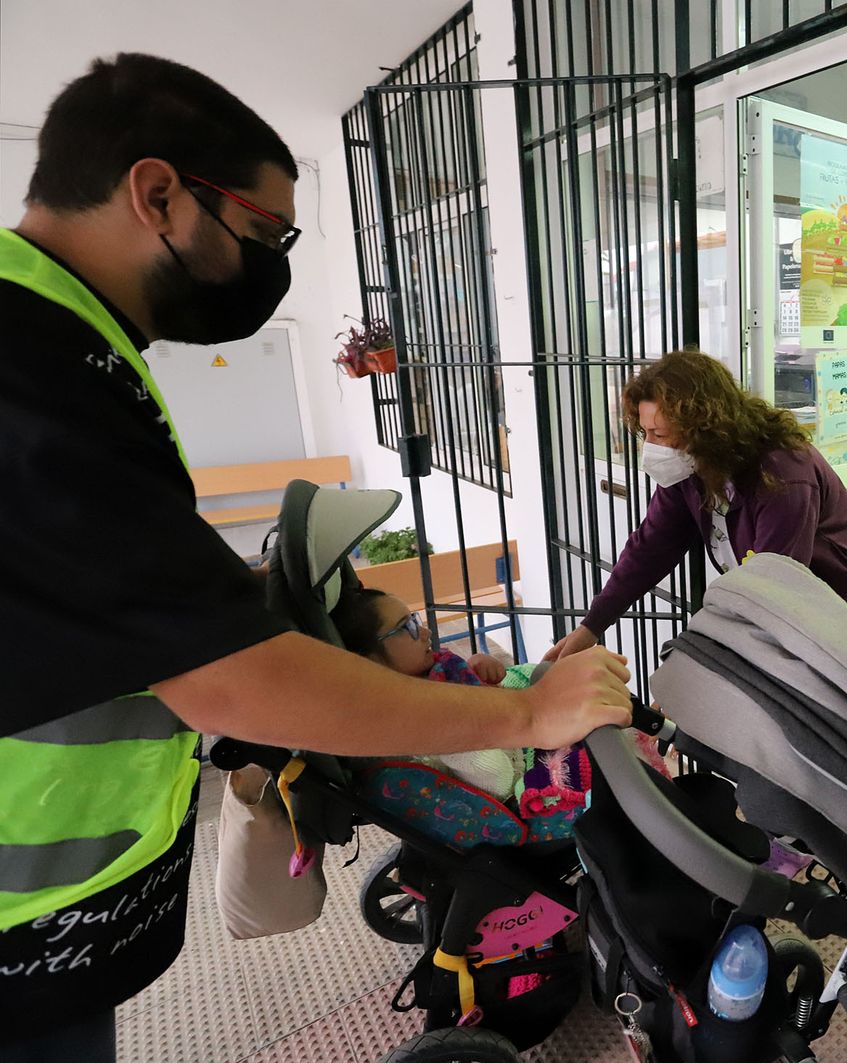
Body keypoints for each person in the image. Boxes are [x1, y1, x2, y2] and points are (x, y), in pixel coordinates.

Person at [0, 55, 631, 1061]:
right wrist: (525, 714)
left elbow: (82, 584)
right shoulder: (36, 368)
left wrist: (229, 597)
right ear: (158, 195)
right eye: (265, 233)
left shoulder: (71, 346)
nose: (272, 264)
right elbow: (227, 681)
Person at [545, 349, 847, 659]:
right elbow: (650, 548)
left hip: (844, 586)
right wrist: (592, 626)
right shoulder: (690, 465)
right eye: (645, 433)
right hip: (778, 592)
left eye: (659, 434)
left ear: (704, 428)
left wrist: (701, 670)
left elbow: (774, 592)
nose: (649, 447)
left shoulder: (782, 473)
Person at [330, 589, 521, 799]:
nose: (426, 632)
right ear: (369, 660)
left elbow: (484, 698)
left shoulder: (438, 668)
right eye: (407, 627)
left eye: (415, 620)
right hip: (501, 782)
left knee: (534, 672)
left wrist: (478, 671)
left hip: (511, 737)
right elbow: (496, 779)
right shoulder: (393, 727)